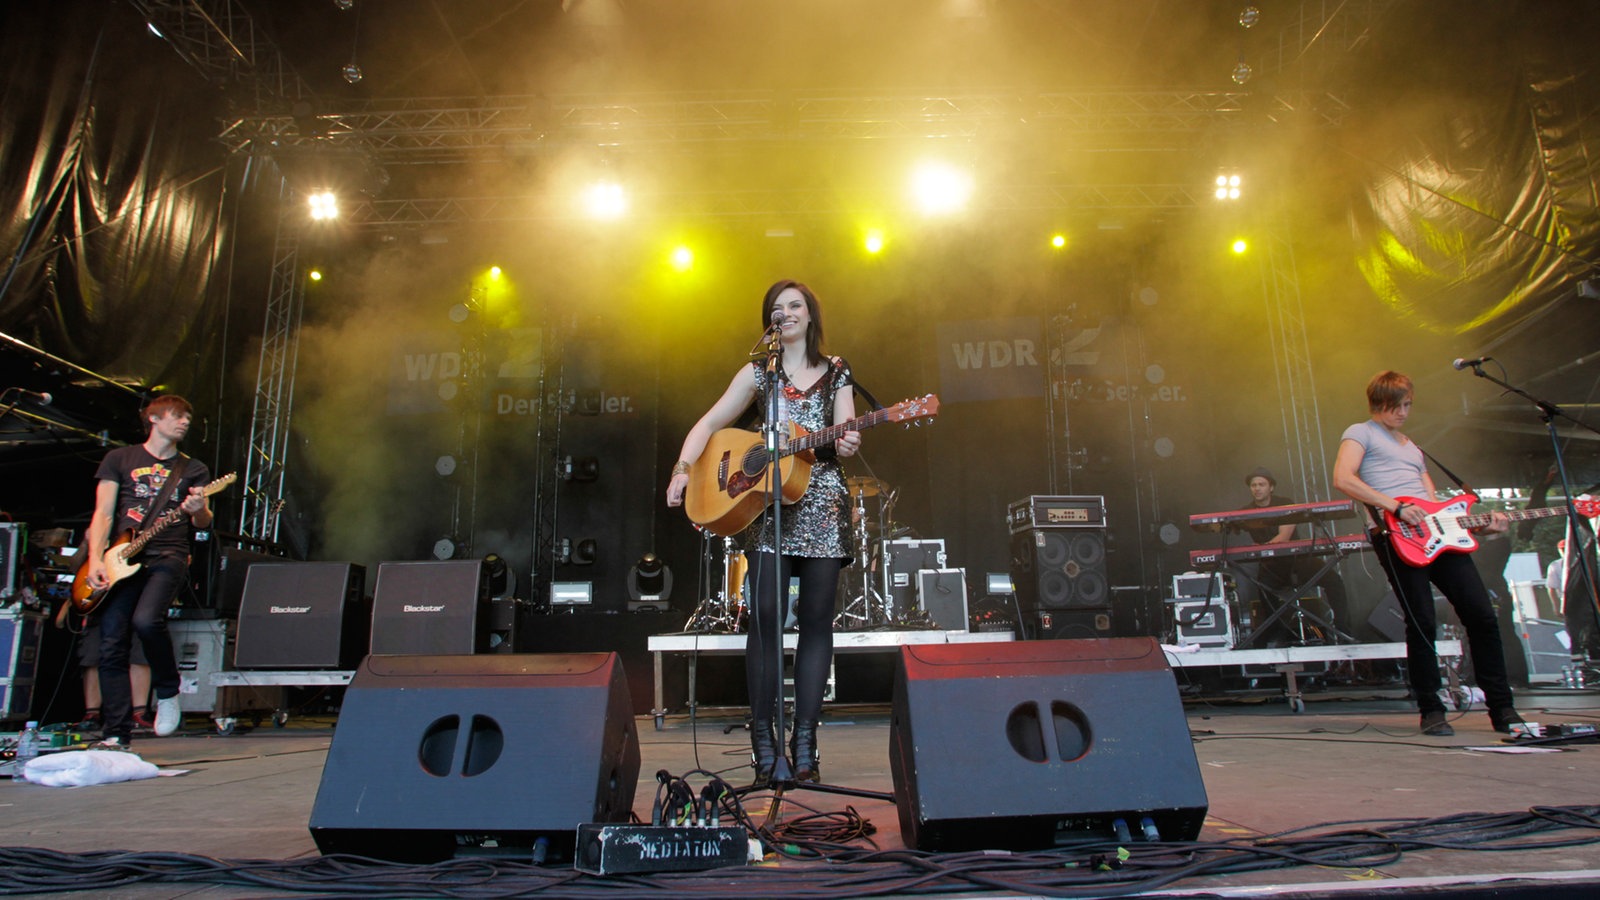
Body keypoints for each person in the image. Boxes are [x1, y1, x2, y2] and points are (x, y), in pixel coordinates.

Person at [665, 280, 860, 785]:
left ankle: (806, 746)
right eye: (777, 308)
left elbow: (845, 431)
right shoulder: (759, 372)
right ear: (769, 322)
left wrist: (848, 440)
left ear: (811, 314)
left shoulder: (837, 370)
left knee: (817, 622)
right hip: (769, 505)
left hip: (821, 503)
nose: (787, 313)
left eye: (795, 305)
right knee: (766, 619)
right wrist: (683, 469)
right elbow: (708, 424)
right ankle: (765, 746)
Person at [1332, 371, 1522, 736]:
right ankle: (1431, 708)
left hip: (1436, 533)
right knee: (1422, 621)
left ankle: (1502, 705)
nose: (1404, 413)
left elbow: (1435, 504)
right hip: (1396, 534)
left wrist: (1478, 524)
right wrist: (1396, 507)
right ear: (1378, 403)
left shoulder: (1413, 447)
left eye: (1407, 405)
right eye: (1396, 406)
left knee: (1481, 614)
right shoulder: (1360, 432)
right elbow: (1343, 477)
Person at [84, 394, 212, 749]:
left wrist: (199, 509)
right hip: (121, 558)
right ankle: (116, 731)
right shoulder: (119, 459)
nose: (185, 421)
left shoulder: (193, 469)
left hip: (168, 553)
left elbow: (203, 522)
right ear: (153, 418)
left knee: (145, 621)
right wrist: (95, 559)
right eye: (177, 415)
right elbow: (104, 514)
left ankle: (168, 692)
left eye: (188, 416)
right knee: (111, 643)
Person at [1233, 466, 1350, 644]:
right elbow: (1228, 525)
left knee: (1334, 581)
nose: (1257, 488)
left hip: (1298, 561)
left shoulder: (1285, 503)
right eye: (1253, 485)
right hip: (1272, 566)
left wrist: (1260, 547)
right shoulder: (1245, 511)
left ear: (1271, 487)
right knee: (1263, 589)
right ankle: (1276, 634)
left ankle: (1344, 630)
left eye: (1261, 484)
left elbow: (1283, 538)